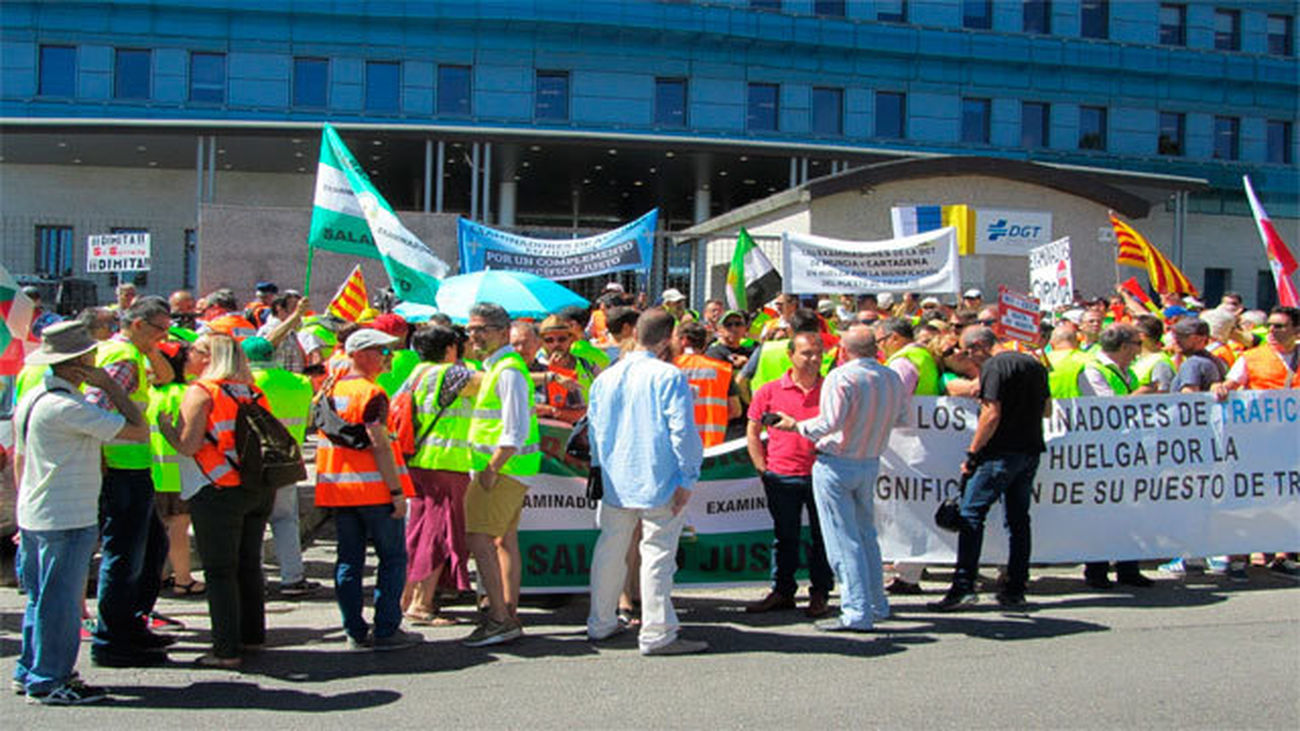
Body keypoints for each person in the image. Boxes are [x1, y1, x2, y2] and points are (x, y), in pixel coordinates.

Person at [13, 322, 148, 704]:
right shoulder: (68, 407)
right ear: (79, 364)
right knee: (61, 602)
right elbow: (138, 429)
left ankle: (31, 669)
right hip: (66, 513)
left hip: (37, 510)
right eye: (90, 356)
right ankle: (50, 679)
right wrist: (111, 387)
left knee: (41, 598)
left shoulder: (35, 398)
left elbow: (20, 458)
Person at [586, 308, 706, 655]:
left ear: (635, 334)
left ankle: (601, 621)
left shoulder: (605, 378)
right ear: (668, 338)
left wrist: (598, 467)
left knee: (610, 550)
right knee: (656, 555)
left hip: (615, 478)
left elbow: (594, 432)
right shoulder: (668, 376)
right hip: (659, 478)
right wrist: (688, 476)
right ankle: (657, 632)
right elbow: (682, 432)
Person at [772, 323, 905, 632]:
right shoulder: (891, 377)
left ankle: (857, 610)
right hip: (868, 459)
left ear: (843, 350)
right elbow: (901, 417)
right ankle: (875, 603)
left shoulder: (842, 376)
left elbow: (828, 423)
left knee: (843, 540)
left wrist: (796, 425)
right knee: (865, 536)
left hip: (837, 462)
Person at [156, 333, 274, 668]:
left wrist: (166, 428)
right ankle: (252, 636)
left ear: (208, 357)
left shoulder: (201, 391)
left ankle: (225, 650)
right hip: (256, 486)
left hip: (217, 487)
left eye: (193, 351)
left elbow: (189, 445)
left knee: (220, 571)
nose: (187, 356)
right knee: (249, 564)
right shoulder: (252, 390)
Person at [314, 329, 422, 651]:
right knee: (392, 559)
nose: (386, 358)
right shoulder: (371, 393)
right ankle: (387, 629)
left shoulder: (328, 391)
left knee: (349, 561)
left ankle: (354, 630)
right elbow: (380, 447)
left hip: (340, 492)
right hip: (375, 492)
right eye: (380, 352)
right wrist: (396, 492)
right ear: (360, 354)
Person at [929, 326, 1051, 611]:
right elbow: (1047, 409)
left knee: (971, 514)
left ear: (980, 346)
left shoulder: (995, 366)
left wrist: (973, 453)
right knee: (1018, 520)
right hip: (1030, 450)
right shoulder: (1034, 365)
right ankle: (1016, 586)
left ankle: (963, 585)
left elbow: (991, 413)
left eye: (969, 351)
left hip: (999, 452)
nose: (968, 357)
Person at [84, 296, 176, 668]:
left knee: (151, 548)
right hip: (121, 470)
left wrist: (151, 348)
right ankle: (113, 637)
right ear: (136, 325)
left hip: (133, 468)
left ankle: (131, 624)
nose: (164, 337)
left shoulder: (131, 355)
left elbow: (167, 376)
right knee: (125, 557)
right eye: (159, 329)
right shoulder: (121, 359)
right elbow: (94, 411)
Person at [462, 303, 541, 647]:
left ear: (501, 331)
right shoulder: (500, 367)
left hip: (502, 470)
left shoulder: (507, 369)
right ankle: (506, 611)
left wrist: (491, 469)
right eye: (471, 329)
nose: (474, 336)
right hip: (508, 469)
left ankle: (499, 618)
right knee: (503, 540)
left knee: (480, 538)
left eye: (481, 329)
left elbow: (514, 430)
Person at [744, 331, 833, 618]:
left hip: (822, 474)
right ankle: (782, 591)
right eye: (807, 353)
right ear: (791, 356)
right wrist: (762, 467)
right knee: (785, 536)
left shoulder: (832, 388)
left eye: (818, 353)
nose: (814, 359)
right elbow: (753, 430)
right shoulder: (769, 391)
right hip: (782, 475)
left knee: (823, 537)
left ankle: (820, 592)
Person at [1211, 305, 1300, 581]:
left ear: (1296, 330)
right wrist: (1221, 387)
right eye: (1271, 325)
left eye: (1280, 326)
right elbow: (1230, 384)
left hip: (1292, 442)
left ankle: (1283, 555)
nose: (1272, 331)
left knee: (1288, 497)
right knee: (1246, 496)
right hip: (1257, 442)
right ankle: (1238, 558)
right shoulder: (1251, 358)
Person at [400, 325, 479, 625]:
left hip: (420, 462)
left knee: (419, 533)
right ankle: (421, 604)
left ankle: (408, 597)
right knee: (438, 535)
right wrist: (548, 376)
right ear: (450, 349)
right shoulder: (448, 374)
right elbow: (496, 383)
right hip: (445, 463)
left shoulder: (416, 373)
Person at [1070, 324, 1155, 589]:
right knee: (1102, 511)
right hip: (1102, 451)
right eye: (1136, 345)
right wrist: (1139, 396)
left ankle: (1128, 566)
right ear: (1123, 346)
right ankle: (1096, 570)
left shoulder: (1126, 370)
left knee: (1130, 510)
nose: (1139, 351)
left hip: (1126, 449)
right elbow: (1105, 408)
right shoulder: (1093, 369)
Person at [242, 337, 318, 597]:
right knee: (286, 519)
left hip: (251, 462)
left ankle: (255, 577)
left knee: (252, 522)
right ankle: (293, 577)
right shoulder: (299, 383)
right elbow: (309, 420)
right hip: (287, 460)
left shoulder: (245, 385)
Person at [674, 321, 740, 448]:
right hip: (712, 444)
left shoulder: (669, 367)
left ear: (684, 341)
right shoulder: (722, 369)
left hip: (677, 442)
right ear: (704, 343)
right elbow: (735, 410)